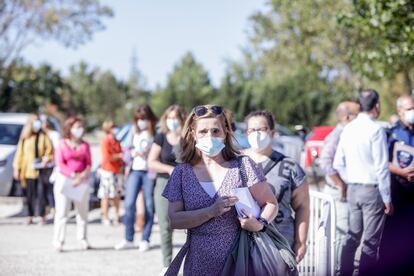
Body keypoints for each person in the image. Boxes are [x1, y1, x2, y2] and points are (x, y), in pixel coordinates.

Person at [162, 105, 278, 275]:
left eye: (216, 131)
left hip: (240, 260)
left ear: (225, 133)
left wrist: (260, 224)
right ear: (193, 134)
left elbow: (271, 203)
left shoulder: (243, 166)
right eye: (203, 131)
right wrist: (210, 211)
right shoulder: (181, 172)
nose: (210, 136)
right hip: (199, 263)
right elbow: (175, 220)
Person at [333, 89, 393, 276]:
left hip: (353, 189)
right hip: (372, 190)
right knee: (370, 242)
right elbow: (382, 167)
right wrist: (387, 198)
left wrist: (350, 179)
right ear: (377, 106)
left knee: (352, 238)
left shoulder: (348, 128)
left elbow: (337, 163)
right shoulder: (376, 129)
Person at [243, 110, 310, 263]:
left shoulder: (290, 167)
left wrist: (301, 242)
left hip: (279, 245)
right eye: (252, 130)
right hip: (242, 246)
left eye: (261, 129)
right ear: (246, 133)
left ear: (272, 133)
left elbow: (302, 207)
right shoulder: (234, 164)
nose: (256, 134)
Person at [319, 101, 359, 274]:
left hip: (344, 191)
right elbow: (325, 162)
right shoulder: (338, 135)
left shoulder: (347, 134)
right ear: (347, 117)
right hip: (338, 192)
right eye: (357, 115)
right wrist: (340, 184)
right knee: (341, 235)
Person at [148, 104, 186, 273]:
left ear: (182, 119)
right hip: (164, 182)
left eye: (175, 118)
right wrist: (170, 169)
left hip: (185, 183)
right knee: (165, 224)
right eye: (169, 118)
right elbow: (151, 161)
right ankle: (167, 264)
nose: (172, 121)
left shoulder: (188, 137)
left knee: (190, 223)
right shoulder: (161, 136)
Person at [379, 95, 414, 274]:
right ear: (400, 111)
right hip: (397, 190)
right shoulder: (390, 133)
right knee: (393, 234)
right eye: (409, 108)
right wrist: (401, 172)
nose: (412, 112)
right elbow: (382, 162)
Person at [115, 104, 157, 251]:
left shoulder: (156, 133)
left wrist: (150, 153)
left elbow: (159, 152)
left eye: (144, 118)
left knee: (149, 205)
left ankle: (145, 238)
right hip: (134, 170)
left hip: (149, 172)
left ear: (150, 118)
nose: (141, 121)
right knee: (129, 204)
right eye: (139, 119)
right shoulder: (133, 131)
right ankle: (128, 237)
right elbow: (125, 150)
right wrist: (132, 154)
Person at [53, 116, 92, 251]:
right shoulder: (62, 144)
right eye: (76, 127)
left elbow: (88, 163)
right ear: (69, 128)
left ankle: (82, 239)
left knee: (82, 213)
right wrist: (73, 175)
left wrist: (82, 176)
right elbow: (60, 163)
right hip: (65, 180)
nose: (79, 130)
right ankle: (59, 240)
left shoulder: (85, 145)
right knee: (62, 212)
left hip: (82, 181)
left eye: (81, 127)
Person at [13, 114, 54, 225]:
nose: (38, 123)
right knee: (29, 194)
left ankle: (42, 216)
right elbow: (19, 154)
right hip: (27, 171)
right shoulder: (25, 138)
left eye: (38, 121)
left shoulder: (43, 136)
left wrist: (47, 159)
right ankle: (29, 215)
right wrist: (17, 168)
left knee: (41, 194)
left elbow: (50, 151)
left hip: (41, 171)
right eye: (35, 121)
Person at [99, 120, 124, 226]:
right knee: (106, 195)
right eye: (113, 127)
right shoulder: (105, 141)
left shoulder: (117, 141)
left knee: (116, 196)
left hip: (117, 171)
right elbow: (107, 157)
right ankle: (105, 216)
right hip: (107, 171)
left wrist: (121, 162)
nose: (115, 129)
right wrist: (119, 156)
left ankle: (116, 216)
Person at [41, 116, 61, 213]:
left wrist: (49, 159)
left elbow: (58, 151)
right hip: (42, 166)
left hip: (52, 166)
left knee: (51, 188)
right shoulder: (42, 135)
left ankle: (54, 208)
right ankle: (47, 208)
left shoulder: (55, 135)